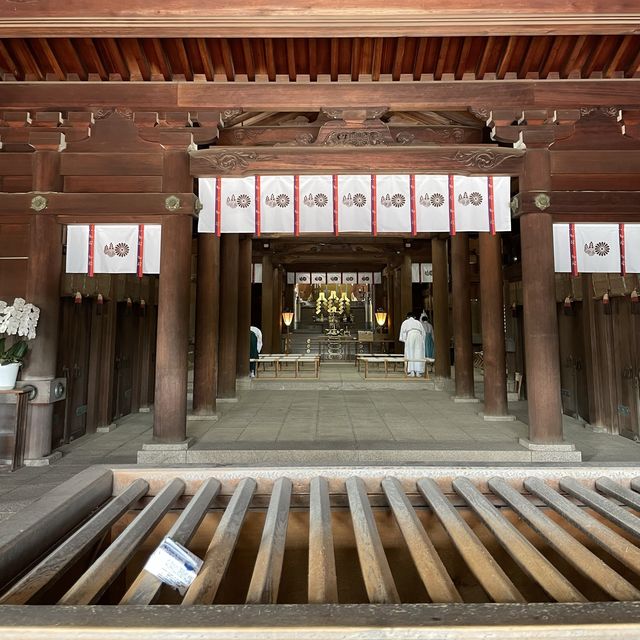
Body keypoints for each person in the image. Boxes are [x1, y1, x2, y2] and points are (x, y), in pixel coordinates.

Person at [399, 311, 426, 377]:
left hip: (410, 335)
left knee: (410, 353)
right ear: (414, 317)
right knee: (418, 353)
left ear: (407, 317)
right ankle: (418, 372)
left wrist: (405, 340)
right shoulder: (418, 322)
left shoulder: (405, 322)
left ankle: (412, 372)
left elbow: (402, 333)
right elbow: (424, 333)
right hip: (418, 336)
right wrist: (422, 341)